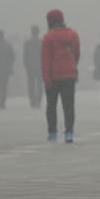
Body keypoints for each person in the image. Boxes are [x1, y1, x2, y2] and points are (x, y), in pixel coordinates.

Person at [41, 8, 80, 143]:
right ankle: (69, 133)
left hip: (53, 75)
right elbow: (76, 54)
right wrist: (73, 68)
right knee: (68, 105)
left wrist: (47, 79)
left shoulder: (48, 37)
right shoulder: (73, 34)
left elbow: (46, 60)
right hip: (69, 74)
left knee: (51, 106)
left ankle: (52, 133)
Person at [23, 25, 43, 108]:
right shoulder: (42, 42)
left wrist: (26, 64)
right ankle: (38, 100)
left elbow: (25, 55)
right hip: (40, 66)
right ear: (38, 32)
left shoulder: (27, 42)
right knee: (39, 84)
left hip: (30, 66)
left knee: (31, 84)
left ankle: (32, 101)